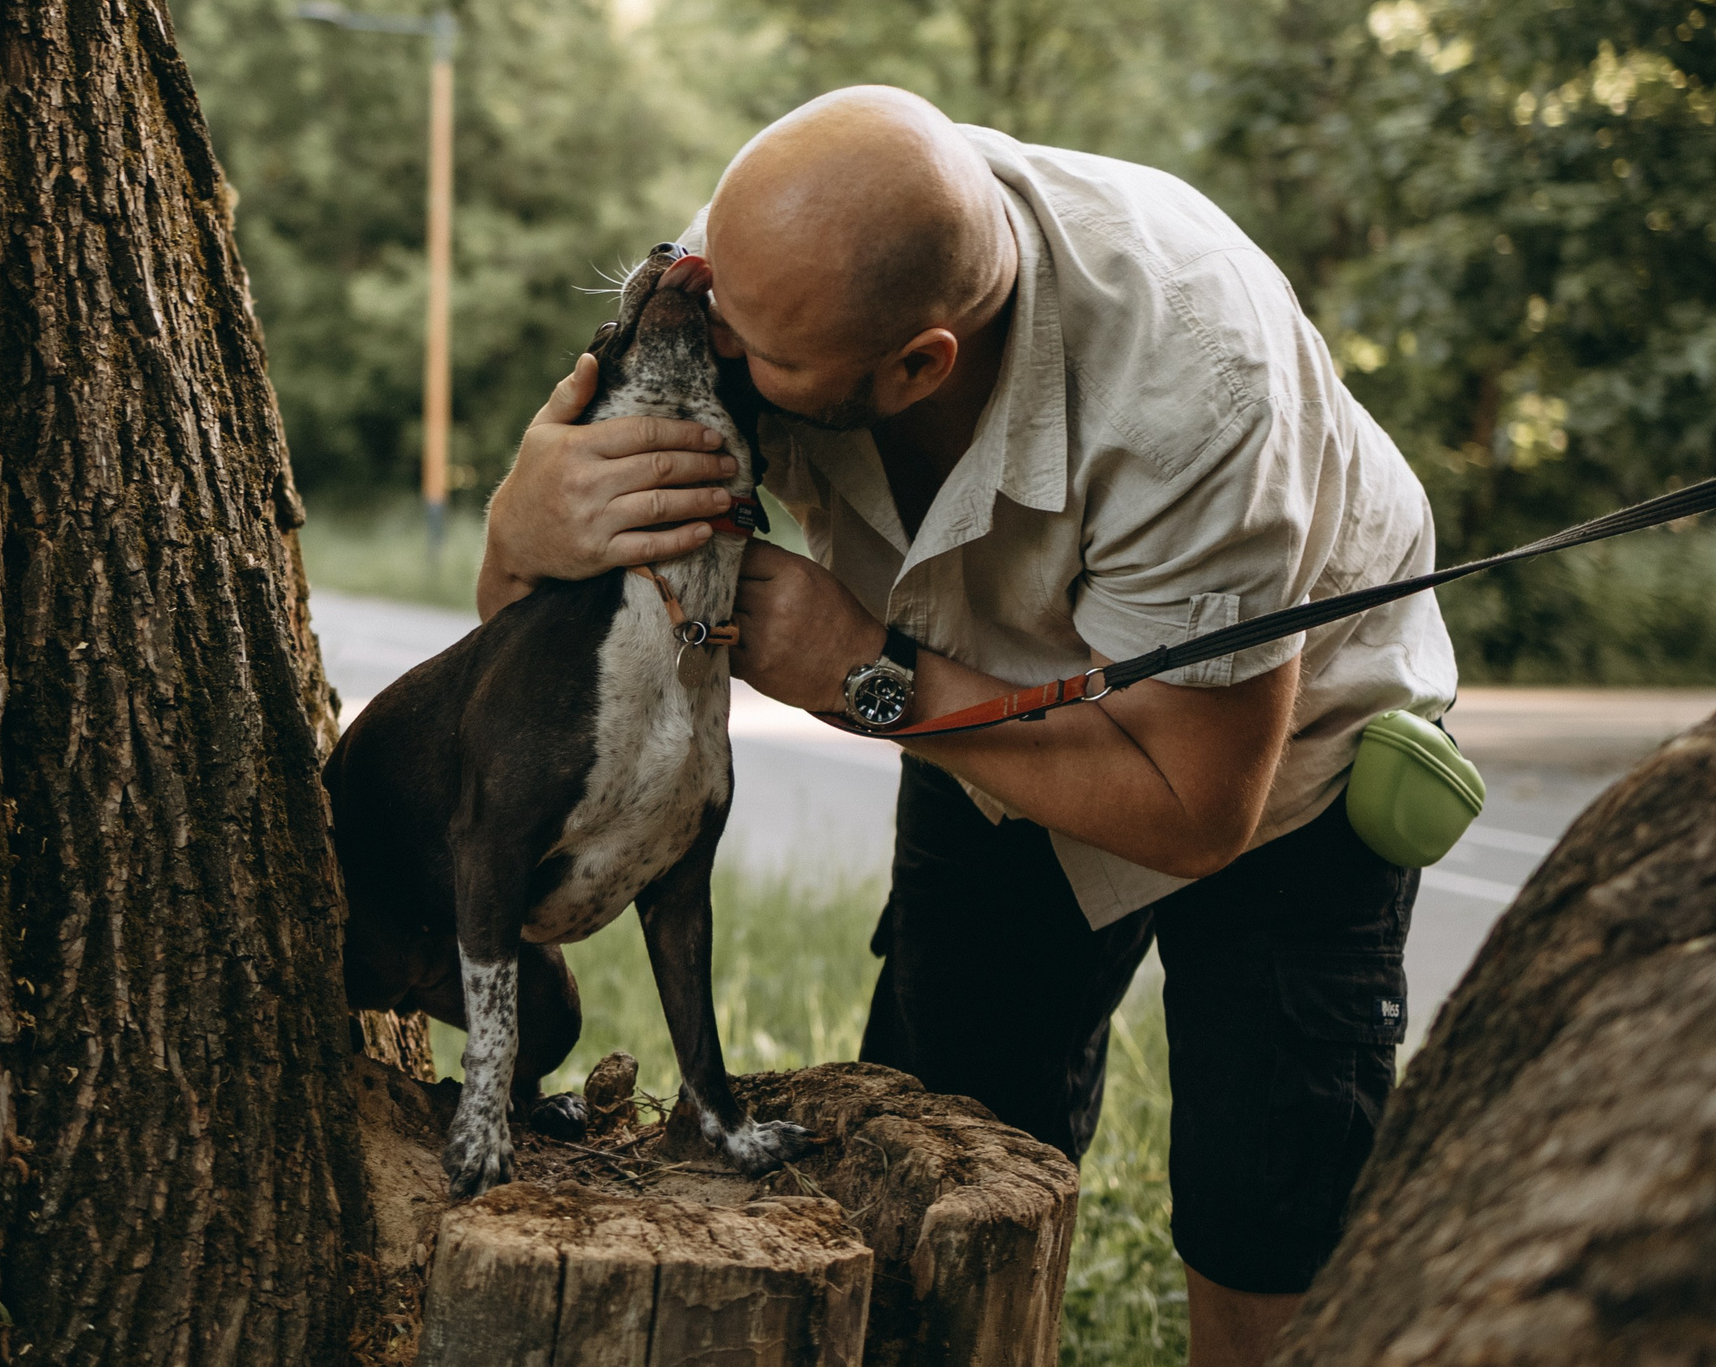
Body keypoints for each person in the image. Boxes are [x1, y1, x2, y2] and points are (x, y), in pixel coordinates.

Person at [478, 86, 1455, 1367]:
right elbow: (519, 650)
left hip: (1284, 776)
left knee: (1271, 1218)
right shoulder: (758, 269)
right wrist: (523, 523)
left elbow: (1195, 810)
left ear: (916, 364)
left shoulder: (1199, 387)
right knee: (938, 1179)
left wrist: (862, 676)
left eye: (758, 356)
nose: (712, 343)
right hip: (980, 724)